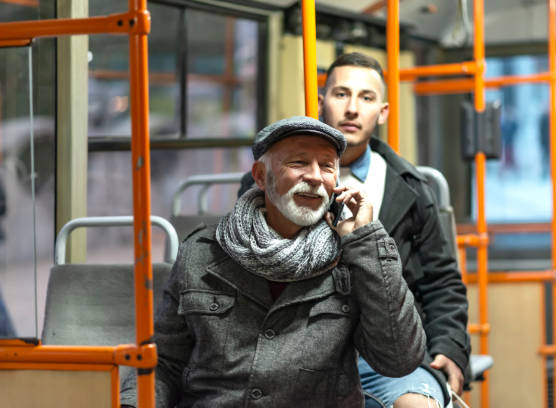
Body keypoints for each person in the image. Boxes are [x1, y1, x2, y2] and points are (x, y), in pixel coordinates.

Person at [121, 116, 426, 407]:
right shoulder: (203, 252)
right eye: (298, 163)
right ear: (259, 176)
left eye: (327, 166)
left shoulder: (353, 257)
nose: (315, 177)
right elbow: (164, 363)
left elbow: (399, 358)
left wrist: (367, 239)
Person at [318, 53, 470, 408]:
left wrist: (450, 345)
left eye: (366, 98)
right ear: (322, 102)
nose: (352, 108)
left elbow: (442, 280)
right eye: (341, 94)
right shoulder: (285, 179)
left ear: (383, 112)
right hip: (304, 348)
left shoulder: (412, 189)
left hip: (389, 353)